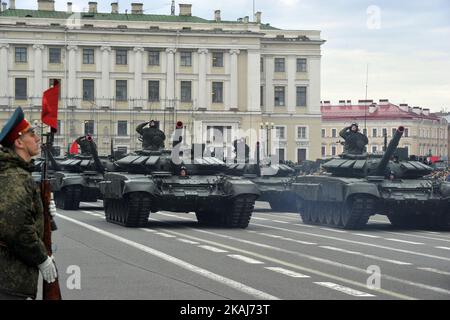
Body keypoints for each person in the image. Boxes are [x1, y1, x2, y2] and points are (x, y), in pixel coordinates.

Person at [0, 107, 57, 300]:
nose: (38, 138)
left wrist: (44, 211)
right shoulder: (15, 176)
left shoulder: (17, 173)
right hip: (9, 280)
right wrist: (41, 258)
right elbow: (16, 228)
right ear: (19, 142)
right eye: (32, 134)